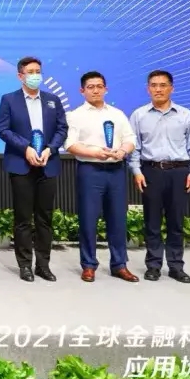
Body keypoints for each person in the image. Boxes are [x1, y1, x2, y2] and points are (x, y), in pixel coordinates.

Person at [0, 56, 68, 282]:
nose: (35, 75)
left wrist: (50, 149)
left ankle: (43, 265)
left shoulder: (52, 100)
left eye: (38, 71)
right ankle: (25, 265)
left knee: (45, 218)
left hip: (48, 164)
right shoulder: (9, 99)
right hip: (21, 164)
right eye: (31, 72)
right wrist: (25, 148)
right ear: (20, 76)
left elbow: (62, 129)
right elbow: (3, 130)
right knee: (23, 218)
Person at [128, 69, 190, 284]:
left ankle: (176, 267)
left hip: (179, 172)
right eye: (154, 85)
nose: (158, 89)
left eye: (163, 85)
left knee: (176, 221)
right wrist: (136, 171)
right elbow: (134, 148)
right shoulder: (139, 115)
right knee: (151, 221)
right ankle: (153, 266)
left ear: (171, 88)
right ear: (148, 89)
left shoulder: (185, 115)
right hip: (150, 171)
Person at [63, 71, 138, 283]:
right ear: (82, 91)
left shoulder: (117, 114)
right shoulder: (75, 115)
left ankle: (119, 264)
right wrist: (94, 153)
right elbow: (70, 144)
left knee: (118, 219)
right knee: (88, 219)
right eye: (90, 87)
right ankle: (88, 265)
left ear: (106, 89)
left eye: (99, 86)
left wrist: (122, 151)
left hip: (116, 170)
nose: (95, 90)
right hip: (90, 170)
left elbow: (130, 139)